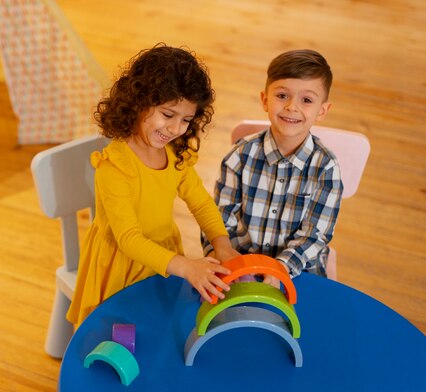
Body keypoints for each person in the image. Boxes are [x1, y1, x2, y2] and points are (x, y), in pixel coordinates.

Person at [67, 44, 240, 325]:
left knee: (158, 326)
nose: (175, 129)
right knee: (119, 332)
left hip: (164, 254)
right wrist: (187, 267)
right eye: (167, 115)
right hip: (121, 264)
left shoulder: (176, 153)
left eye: (186, 120)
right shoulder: (115, 167)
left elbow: (200, 201)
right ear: (137, 102)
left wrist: (221, 243)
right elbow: (129, 241)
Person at [202, 49, 342, 286]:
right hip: (241, 266)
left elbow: (314, 236)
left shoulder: (326, 168)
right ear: (265, 99)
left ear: (322, 110)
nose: (291, 107)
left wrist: (280, 269)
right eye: (282, 96)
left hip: (298, 270)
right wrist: (224, 257)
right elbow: (220, 218)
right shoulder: (240, 155)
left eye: (306, 100)